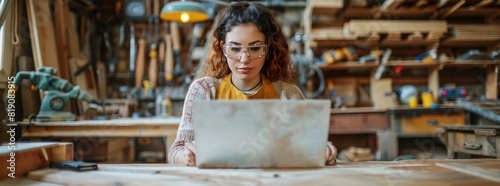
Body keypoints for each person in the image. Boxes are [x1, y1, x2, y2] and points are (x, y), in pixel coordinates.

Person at [168, 1, 337, 166]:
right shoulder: (204, 90)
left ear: (267, 48)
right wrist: (186, 156)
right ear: (223, 48)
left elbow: (310, 145)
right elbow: (176, 150)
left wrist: (325, 149)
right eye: (235, 48)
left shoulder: (288, 94)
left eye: (255, 48)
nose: (244, 59)